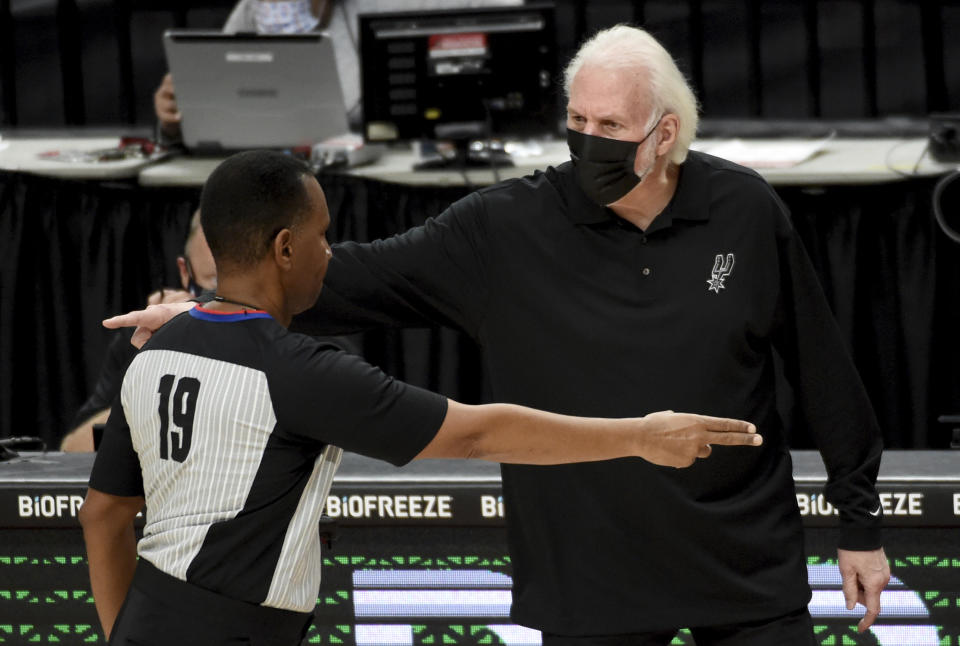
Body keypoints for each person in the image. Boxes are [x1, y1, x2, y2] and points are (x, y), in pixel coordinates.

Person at [111, 25, 891, 645]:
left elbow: (822, 369)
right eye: (576, 121)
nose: (589, 142)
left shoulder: (745, 210)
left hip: (746, 562)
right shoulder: (504, 227)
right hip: (590, 577)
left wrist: (859, 523)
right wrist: (210, 309)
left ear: (664, 134)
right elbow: (348, 277)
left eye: (611, 126)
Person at [82, 150, 760, 646]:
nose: (330, 254)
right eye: (322, 237)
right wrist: (639, 437)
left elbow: (103, 516)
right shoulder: (298, 374)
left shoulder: (156, 351)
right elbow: (478, 433)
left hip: (147, 618)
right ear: (284, 249)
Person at [154, 0, 520, 142]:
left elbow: (512, 26)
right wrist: (176, 120)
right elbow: (210, 108)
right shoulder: (260, 8)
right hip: (275, 191)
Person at [60, 211, 215, 452]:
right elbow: (74, 448)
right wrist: (159, 356)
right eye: (213, 284)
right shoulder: (145, 336)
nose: (220, 300)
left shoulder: (284, 342)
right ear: (185, 273)